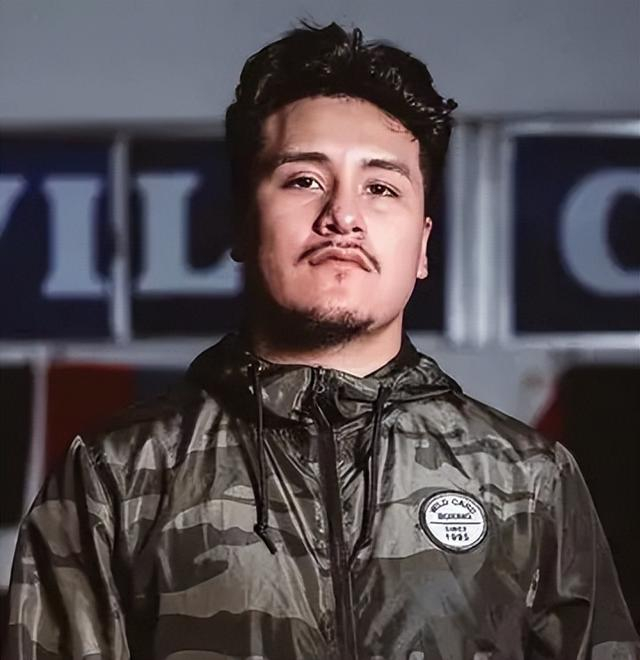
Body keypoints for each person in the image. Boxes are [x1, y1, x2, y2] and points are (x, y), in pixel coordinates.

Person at [5, 22, 638, 660]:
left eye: (381, 187)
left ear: (422, 245)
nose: (343, 216)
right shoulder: (117, 476)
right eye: (304, 180)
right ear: (241, 224)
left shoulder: (527, 479)